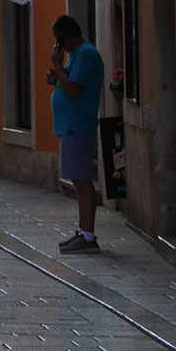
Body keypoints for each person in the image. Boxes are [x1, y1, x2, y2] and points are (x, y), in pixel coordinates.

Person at [47, 13, 105, 254]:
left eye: (57, 38)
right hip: (70, 124)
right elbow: (68, 83)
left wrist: (58, 66)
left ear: (64, 36)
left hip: (77, 125)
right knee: (78, 179)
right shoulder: (77, 56)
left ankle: (88, 235)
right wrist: (56, 78)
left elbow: (73, 89)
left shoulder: (86, 54)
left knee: (82, 180)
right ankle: (83, 231)